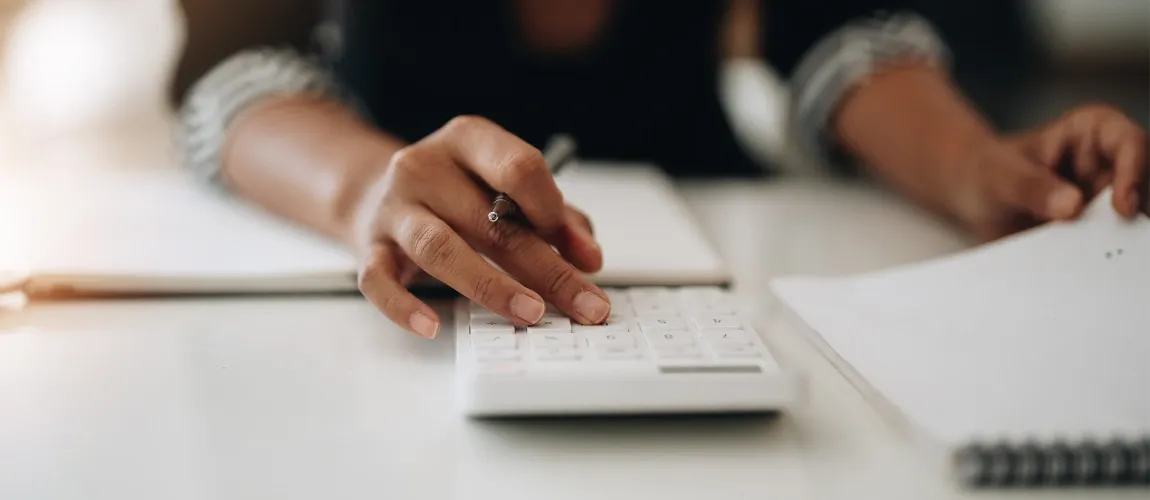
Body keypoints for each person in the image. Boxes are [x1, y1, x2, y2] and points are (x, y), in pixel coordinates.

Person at [175, 0, 1148, 340]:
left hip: (724, 243)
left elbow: (831, 28)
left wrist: (973, 164)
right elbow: (226, 66)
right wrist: (362, 191)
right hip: (400, 257)